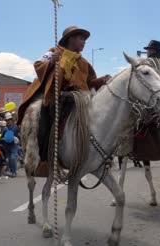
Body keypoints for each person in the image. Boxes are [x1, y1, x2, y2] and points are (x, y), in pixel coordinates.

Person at [17, 26, 111, 162]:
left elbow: (90, 82)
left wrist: (101, 80)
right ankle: (42, 157)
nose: (84, 42)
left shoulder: (84, 63)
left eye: (85, 40)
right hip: (55, 97)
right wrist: (51, 62)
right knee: (41, 121)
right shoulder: (53, 52)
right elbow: (38, 65)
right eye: (81, 39)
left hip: (78, 99)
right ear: (70, 39)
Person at [1, 112, 19, 177]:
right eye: (7, 120)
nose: (8, 121)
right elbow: (2, 137)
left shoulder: (16, 127)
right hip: (7, 146)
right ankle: (12, 171)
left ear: (12, 120)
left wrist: (17, 139)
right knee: (9, 158)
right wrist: (0, 140)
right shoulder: (5, 129)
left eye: (9, 120)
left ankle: (13, 172)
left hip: (14, 145)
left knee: (13, 157)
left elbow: (20, 135)